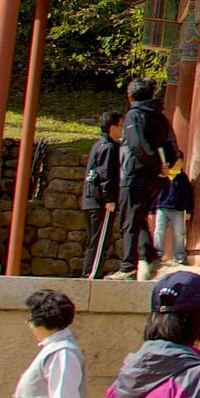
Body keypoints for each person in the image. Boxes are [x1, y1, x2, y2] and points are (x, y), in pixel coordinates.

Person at [115, 79, 180, 281]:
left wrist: (153, 164)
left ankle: (127, 267)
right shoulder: (160, 117)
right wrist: (166, 166)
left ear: (131, 96)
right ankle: (149, 255)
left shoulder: (134, 115)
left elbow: (137, 144)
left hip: (136, 174)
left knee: (129, 220)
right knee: (139, 216)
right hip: (157, 177)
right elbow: (172, 144)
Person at [80, 113, 123, 278]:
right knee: (99, 240)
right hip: (101, 201)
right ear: (112, 128)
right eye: (121, 126)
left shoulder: (97, 145)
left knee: (94, 239)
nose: (123, 129)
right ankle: (91, 273)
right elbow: (106, 175)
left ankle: (89, 271)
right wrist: (110, 198)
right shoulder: (109, 147)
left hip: (90, 199)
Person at [153, 159, 193, 274]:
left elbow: (188, 195)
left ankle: (180, 257)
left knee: (179, 233)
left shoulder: (182, 177)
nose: (178, 164)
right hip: (162, 208)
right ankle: (157, 255)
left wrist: (188, 210)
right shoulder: (163, 175)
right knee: (159, 232)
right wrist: (152, 208)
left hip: (177, 210)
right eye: (176, 161)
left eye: (180, 162)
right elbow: (155, 191)